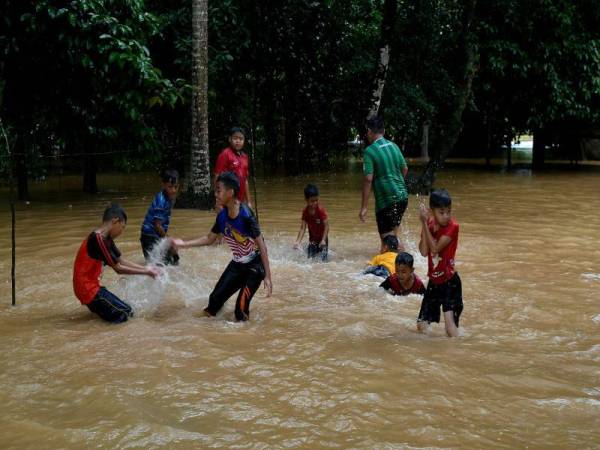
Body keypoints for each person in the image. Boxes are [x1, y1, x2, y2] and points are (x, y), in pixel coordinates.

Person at [173, 172, 272, 321]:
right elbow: (209, 238)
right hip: (238, 263)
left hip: (255, 267)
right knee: (214, 301)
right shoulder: (222, 217)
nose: (216, 194)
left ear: (230, 192)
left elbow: (262, 246)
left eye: (219, 190)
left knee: (240, 311)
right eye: (216, 190)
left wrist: (268, 276)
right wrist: (183, 244)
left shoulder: (246, 215)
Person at [73, 204, 160, 323]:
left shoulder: (106, 238)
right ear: (115, 221)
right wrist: (146, 272)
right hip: (88, 290)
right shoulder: (98, 239)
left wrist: (147, 267)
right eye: (122, 227)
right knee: (125, 314)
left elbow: (121, 260)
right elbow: (118, 268)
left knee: (126, 311)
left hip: (90, 287)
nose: (121, 231)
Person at [417, 189, 463, 337]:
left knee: (450, 329)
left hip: (449, 282)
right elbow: (424, 252)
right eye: (441, 212)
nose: (446, 216)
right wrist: (424, 225)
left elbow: (435, 250)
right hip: (435, 280)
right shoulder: (429, 224)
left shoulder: (453, 227)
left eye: (448, 212)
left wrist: (424, 223)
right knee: (421, 325)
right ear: (432, 212)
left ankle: (457, 354)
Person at [359, 116, 409, 252]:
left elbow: (368, 179)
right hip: (402, 197)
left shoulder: (369, 151)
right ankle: (400, 266)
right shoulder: (394, 146)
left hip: (386, 201)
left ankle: (400, 264)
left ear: (369, 131)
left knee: (388, 242)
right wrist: (396, 185)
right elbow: (405, 169)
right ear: (384, 131)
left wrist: (364, 207)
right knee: (392, 239)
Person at [140, 169, 180, 265]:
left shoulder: (168, 197)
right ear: (163, 184)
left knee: (173, 260)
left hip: (155, 235)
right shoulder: (161, 201)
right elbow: (157, 225)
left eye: (176, 187)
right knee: (158, 265)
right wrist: (168, 240)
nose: (173, 190)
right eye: (170, 187)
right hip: (149, 236)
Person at [214, 127, 253, 209]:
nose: (238, 141)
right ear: (230, 139)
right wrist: (218, 201)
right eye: (235, 138)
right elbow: (217, 177)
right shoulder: (225, 154)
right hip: (228, 200)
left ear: (244, 141)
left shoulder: (244, 157)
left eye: (241, 139)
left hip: (240, 201)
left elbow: (245, 180)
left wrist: (248, 201)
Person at [293, 184, 329, 261]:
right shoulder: (305, 212)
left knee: (324, 262)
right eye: (312, 201)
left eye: (316, 200)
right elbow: (302, 228)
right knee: (309, 260)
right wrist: (298, 241)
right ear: (306, 200)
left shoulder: (321, 210)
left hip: (323, 240)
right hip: (312, 240)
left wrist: (323, 240)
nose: (315, 203)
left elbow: (327, 226)